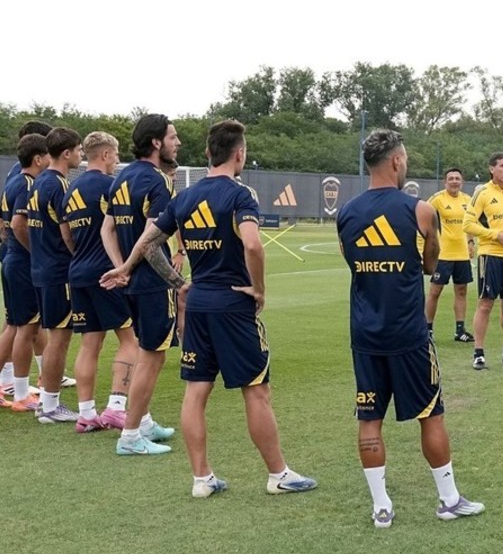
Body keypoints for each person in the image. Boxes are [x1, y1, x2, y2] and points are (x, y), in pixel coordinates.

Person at [102, 119, 317, 497]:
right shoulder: (240, 194)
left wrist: (137, 271)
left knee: (196, 392)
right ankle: (278, 474)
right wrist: (259, 289)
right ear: (239, 154)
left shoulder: (184, 197)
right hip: (233, 305)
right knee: (256, 391)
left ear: (207, 154)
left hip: (198, 304)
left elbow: (149, 243)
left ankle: (202, 479)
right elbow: (253, 244)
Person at [338, 129, 484, 527]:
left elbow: (351, 262)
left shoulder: (347, 213)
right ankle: (448, 500)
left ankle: (381, 507)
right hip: (408, 333)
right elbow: (431, 262)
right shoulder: (419, 210)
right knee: (430, 414)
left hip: (365, 333)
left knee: (369, 418)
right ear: (397, 161)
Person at [102, 114, 179, 455]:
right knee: (152, 357)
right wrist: (129, 267)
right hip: (152, 283)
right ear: (157, 142)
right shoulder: (158, 181)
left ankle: (143, 422)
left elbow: (107, 229)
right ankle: (130, 436)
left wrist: (121, 267)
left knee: (146, 349)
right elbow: (150, 240)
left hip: (133, 283)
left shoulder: (121, 177)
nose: (178, 143)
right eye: (173, 137)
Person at [64, 131, 139, 432]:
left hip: (78, 271)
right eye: (116, 154)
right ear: (106, 154)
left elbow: (66, 235)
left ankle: (86, 414)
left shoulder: (71, 189)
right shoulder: (111, 186)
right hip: (107, 273)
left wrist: (82, 256)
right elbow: (120, 228)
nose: (118, 160)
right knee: (130, 340)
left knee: (89, 344)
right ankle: (116, 407)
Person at [27, 126, 84, 423]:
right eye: (79, 150)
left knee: (55, 337)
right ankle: (49, 405)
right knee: (59, 339)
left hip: (41, 268)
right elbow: (67, 232)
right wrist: (81, 257)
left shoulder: (38, 182)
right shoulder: (59, 185)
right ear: (67, 153)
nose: (81, 155)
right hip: (58, 272)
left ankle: (47, 402)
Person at [463, 153, 503, 369]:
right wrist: (495, 235)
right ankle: (478, 353)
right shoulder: (482, 193)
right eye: (502, 166)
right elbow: (468, 224)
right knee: (486, 304)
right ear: (492, 169)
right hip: (490, 255)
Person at [1, 133, 50, 412]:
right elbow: (19, 224)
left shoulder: (13, 181)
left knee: (14, 327)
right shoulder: (27, 184)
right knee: (26, 329)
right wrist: (36, 252)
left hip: (12, 260)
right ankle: (21, 394)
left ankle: (11, 387)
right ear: (38, 159)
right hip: (22, 264)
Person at [425, 168, 477, 343]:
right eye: (451, 178)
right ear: (445, 182)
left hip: (462, 254)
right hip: (443, 254)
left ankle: (460, 331)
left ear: (462, 182)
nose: (454, 181)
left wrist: (471, 242)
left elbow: (470, 223)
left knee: (461, 291)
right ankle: (427, 330)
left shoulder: (467, 200)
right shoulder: (438, 199)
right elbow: (423, 214)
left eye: (457, 178)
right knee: (435, 291)